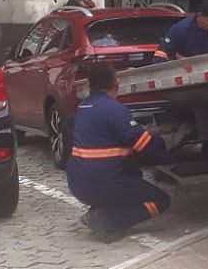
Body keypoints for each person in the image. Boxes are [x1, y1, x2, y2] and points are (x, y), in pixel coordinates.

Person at [67, 63, 172, 242]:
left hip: (78, 183)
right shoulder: (113, 108)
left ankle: (102, 211)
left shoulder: (84, 107)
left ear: (90, 85)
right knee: (161, 201)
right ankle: (105, 219)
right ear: (116, 83)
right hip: (103, 182)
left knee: (133, 174)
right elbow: (145, 146)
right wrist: (168, 142)